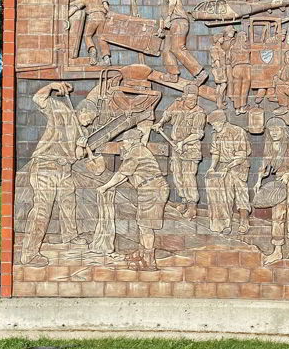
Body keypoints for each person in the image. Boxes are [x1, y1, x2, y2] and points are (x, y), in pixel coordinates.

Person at [20, 82, 99, 267]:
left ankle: (70, 237)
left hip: (64, 170)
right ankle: (29, 254)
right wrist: (52, 86)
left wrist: (81, 146)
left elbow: (77, 157)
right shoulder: (62, 111)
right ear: (83, 111)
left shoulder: (84, 131)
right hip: (46, 166)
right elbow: (38, 98)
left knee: (69, 202)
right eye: (90, 117)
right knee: (42, 210)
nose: (91, 121)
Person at [97, 129, 169, 271]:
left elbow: (122, 174)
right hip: (149, 189)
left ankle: (150, 261)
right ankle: (142, 254)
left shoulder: (136, 152)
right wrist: (112, 187)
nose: (123, 144)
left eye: (124, 141)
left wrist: (105, 187)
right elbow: (125, 176)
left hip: (152, 190)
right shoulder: (138, 150)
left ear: (131, 141)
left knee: (146, 226)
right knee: (143, 225)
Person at [254, 117, 289, 265]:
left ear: (282, 130)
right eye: (271, 131)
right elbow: (264, 167)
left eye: (276, 130)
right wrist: (259, 180)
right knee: (277, 214)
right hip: (279, 181)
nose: (274, 133)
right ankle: (277, 251)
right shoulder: (270, 146)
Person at [152, 84, 206, 220]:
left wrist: (183, 142)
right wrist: (160, 123)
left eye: (195, 99)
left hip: (190, 148)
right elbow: (167, 114)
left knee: (188, 177)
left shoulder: (199, 113)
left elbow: (198, 134)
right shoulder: (177, 105)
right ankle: (184, 201)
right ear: (183, 98)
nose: (192, 102)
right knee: (177, 175)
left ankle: (192, 207)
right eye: (189, 100)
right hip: (176, 146)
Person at [150, 0, 207, 85]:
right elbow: (162, 17)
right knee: (166, 50)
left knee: (177, 48)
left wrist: (168, 17)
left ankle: (200, 73)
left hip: (178, 22)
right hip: (170, 25)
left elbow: (173, 2)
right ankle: (172, 74)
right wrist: (160, 29)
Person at [205, 110, 251, 234]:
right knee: (226, 196)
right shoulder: (216, 134)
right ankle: (226, 224)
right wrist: (212, 167)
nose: (213, 127)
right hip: (224, 167)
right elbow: (216, 153)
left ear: (220, 122)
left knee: (241, 194)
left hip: (239, 166)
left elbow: (241, 155)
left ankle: (244, 221)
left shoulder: (237, 132)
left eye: (213, 124)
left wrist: (228, 167)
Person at [68, 0, 110, 66]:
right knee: (102, 37)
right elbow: (106, 7)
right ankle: (106, 58)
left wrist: (67, 15)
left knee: (87, 35)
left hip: (93, 17)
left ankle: (92, 50)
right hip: (102, 17)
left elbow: (76, 7)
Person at [228, 30, 251, 114]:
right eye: (245, 35)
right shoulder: (247, 47)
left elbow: (229, 59)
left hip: (236, 68)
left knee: (237, 88)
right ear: (241, 37)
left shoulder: (233, 47)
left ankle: (237, 108)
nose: (246, 37)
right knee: (244, 88)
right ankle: (242, 107)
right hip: (245, 67)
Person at [209, 34, 228, 109]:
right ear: (217, 39)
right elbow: (216, 59)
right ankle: (219, 103)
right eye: (221, 37)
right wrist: (220, 69)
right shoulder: (214, 48)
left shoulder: (219, 47)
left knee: (219, 85)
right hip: (218, 69)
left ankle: (220, 102)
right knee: (223, 85)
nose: (223, 38)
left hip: (221, 68)